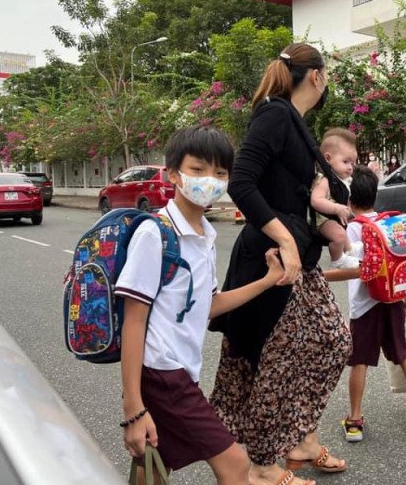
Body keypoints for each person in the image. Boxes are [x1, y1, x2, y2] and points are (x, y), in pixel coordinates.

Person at [209, 44, 351, 485]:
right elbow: (241, 183)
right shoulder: (274, 114)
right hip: (271, 260)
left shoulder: (296, 123)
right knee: (270, 364)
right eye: (327, 75)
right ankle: (265, 467)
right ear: (316, 77)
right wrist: (285, 237)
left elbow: (308, 194)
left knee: (332, 342)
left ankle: (301, 440)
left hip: (299, 262)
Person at [117, 126, 286, 484]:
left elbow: (207, 306)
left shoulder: (205, 235)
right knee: (235, 463)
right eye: (198, 170)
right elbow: (133, 321)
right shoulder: (155, 234)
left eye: (220, 173)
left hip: (181, 370)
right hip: (163, 372)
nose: (209, 180)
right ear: (174, 173)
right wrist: (132, 406)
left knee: (153, 464)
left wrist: (269, 281)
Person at [325, 166, 406, 444]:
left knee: (359, 362)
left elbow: (350, 268)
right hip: (391, 301)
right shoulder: (388, 224)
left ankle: (354, 421)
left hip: (364, 307)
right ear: (374, 196)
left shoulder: (352, 229)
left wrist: (322, 276)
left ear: (349, 202)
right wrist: (404, 297)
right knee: (402, 354)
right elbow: (395, 264)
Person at [311, 128, 360, 268]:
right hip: (321, 219)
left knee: (343, 230)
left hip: (330, 217)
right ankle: (338, 259)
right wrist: (337, 208)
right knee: (339, 234)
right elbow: (316, 200)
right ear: (328, 158)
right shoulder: (325, 179)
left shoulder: (339, 179)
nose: (351, 167)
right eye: (346, 162)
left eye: (352, 163)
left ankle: (349, 249)